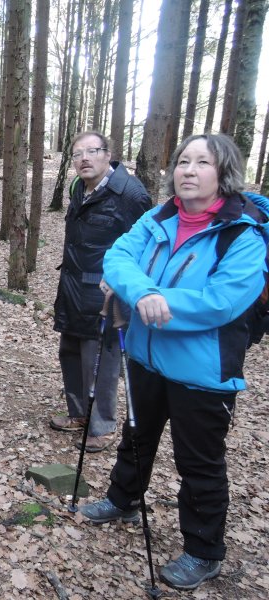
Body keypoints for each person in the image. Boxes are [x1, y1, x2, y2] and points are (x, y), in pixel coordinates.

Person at [80, 134, 268, 591]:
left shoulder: (243, 233)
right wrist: (139, 291)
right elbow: (119, 256)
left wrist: (154, 299)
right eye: (183, 161)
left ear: (223, 173)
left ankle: (204, 552)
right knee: (136, 434)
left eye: (202, 162)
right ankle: (122, 499)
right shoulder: (159, 216)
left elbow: (222, 302)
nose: (188, 170)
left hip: (203, 370)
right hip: (146, 355)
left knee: (199, 462)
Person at [51, 131, 151, 452]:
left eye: (92, 151)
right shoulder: (79, 188)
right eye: (78, 153)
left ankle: (103, 424)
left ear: (108, 155)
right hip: (72, 287)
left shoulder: (130, 194)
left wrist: (126, 287)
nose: (84, 158)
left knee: (101, 362)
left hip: (106, 293)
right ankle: (79, 413)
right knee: (71, 353)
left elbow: (146, 249)